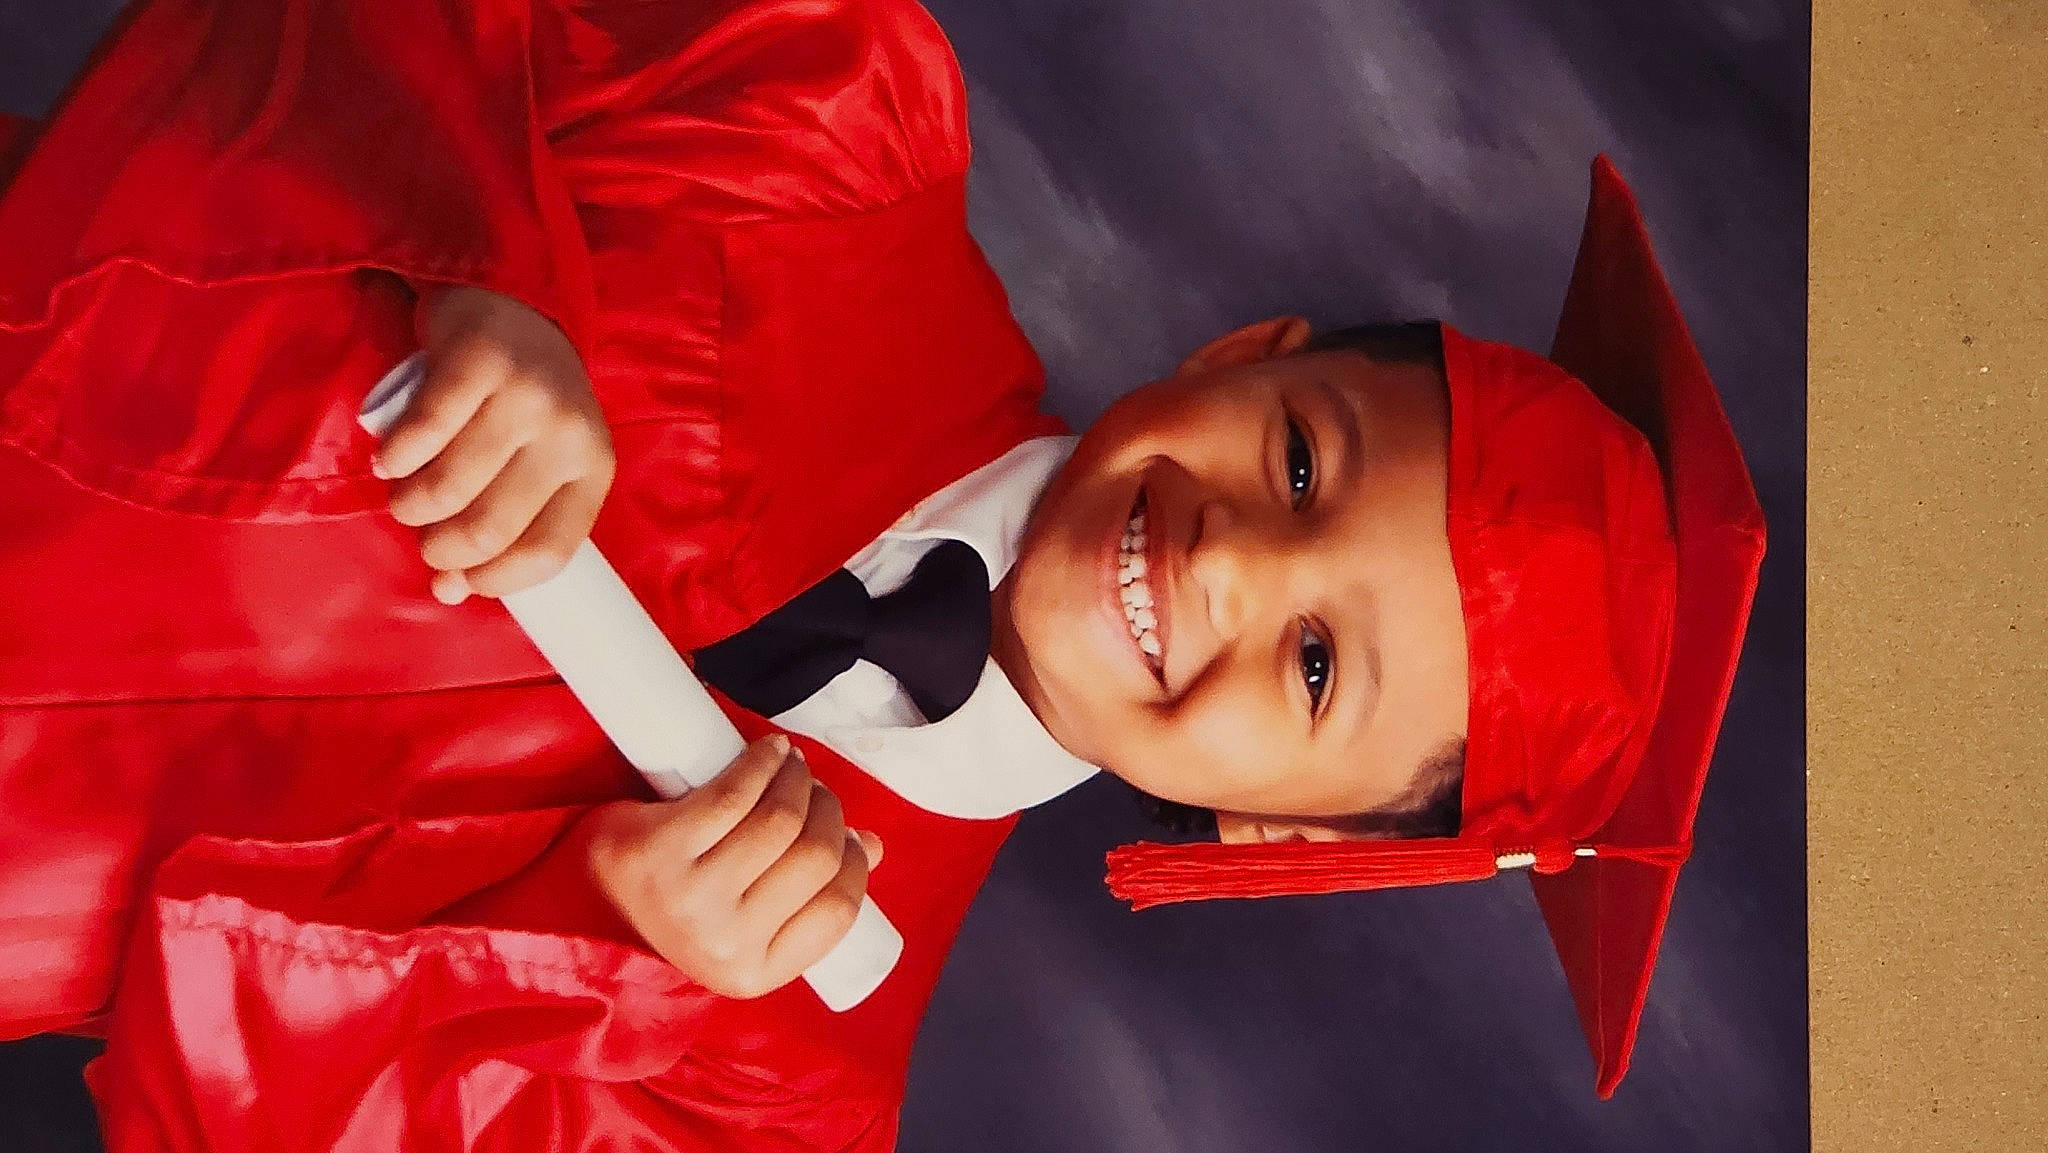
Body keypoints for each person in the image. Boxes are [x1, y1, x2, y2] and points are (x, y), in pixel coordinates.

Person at [0, 0, 1764, 1148]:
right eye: (1303, 461)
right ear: (1246, 345)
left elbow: (209, 1107)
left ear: (1281, 841)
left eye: (1318, 668)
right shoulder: (824, 124)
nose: (1235, 562)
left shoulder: (783, 1075)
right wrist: (493, 255)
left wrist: (590, 936)